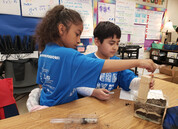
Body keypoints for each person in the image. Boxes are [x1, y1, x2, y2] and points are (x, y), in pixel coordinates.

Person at [27, 5, 157, 109]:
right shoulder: (68, 54)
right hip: (62, 109)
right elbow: (103, 65)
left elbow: (41, 84)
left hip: (47, 105)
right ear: (61, 29)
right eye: (77, 34)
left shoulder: (45, 51)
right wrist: (139, 62)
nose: (78, 40)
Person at [76, 21, 154, 100]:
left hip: (108, 104)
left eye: (117, 43)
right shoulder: (87, 60)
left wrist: (143, 82)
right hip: (88, 104)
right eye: (111, 43)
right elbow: (77, 86)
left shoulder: (117, 62)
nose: (115, 47)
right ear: (97, 41)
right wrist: (93, 92)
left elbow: (129, 80)